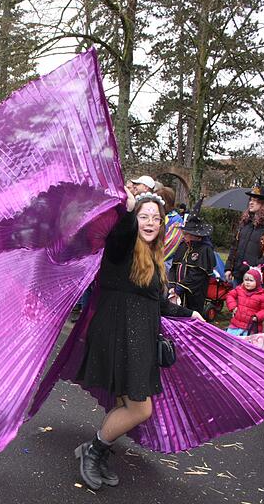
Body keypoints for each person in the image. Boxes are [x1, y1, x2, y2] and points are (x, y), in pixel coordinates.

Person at [74, 191, 204, 491]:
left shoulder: (155, 258)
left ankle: (98, 451)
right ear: (135, 220)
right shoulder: (121, 248)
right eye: (144, 216)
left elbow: (156, 304)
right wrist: (128, 211)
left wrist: (190, 313)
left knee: (124, 402)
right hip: (117, 334)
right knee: (140, 409)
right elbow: (120, 234)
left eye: (156, 218)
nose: (150, 222)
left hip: (139, 340)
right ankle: (93, 450)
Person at [224, 186, 264, 284]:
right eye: (251, 200)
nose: (251, 202)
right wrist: (229, 268)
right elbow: (234, 246)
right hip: (238, 275)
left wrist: (256, 267)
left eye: (255, 200)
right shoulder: (246, 223)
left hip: (255, 279)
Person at [167, 215, 216, 314]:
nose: (183, 237)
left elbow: (197, 275)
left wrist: (180, 288)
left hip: (193, 295)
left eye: (186, 234)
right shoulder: (183, 246)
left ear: (196, 236)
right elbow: (173, 267)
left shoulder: (205, 250)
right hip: (176, 291)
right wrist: (172, 285)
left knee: (190, 315)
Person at [225, 266, 264, 336]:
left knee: (244, 345)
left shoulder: (263, 296)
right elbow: (230, 295)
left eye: (251, 280)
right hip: (236, 325)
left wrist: (258, 316)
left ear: (258, 281)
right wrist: (233, 307)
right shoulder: (239, 289)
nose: (248, 282)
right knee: (230, 342)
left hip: (250, 328)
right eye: (246, 280)